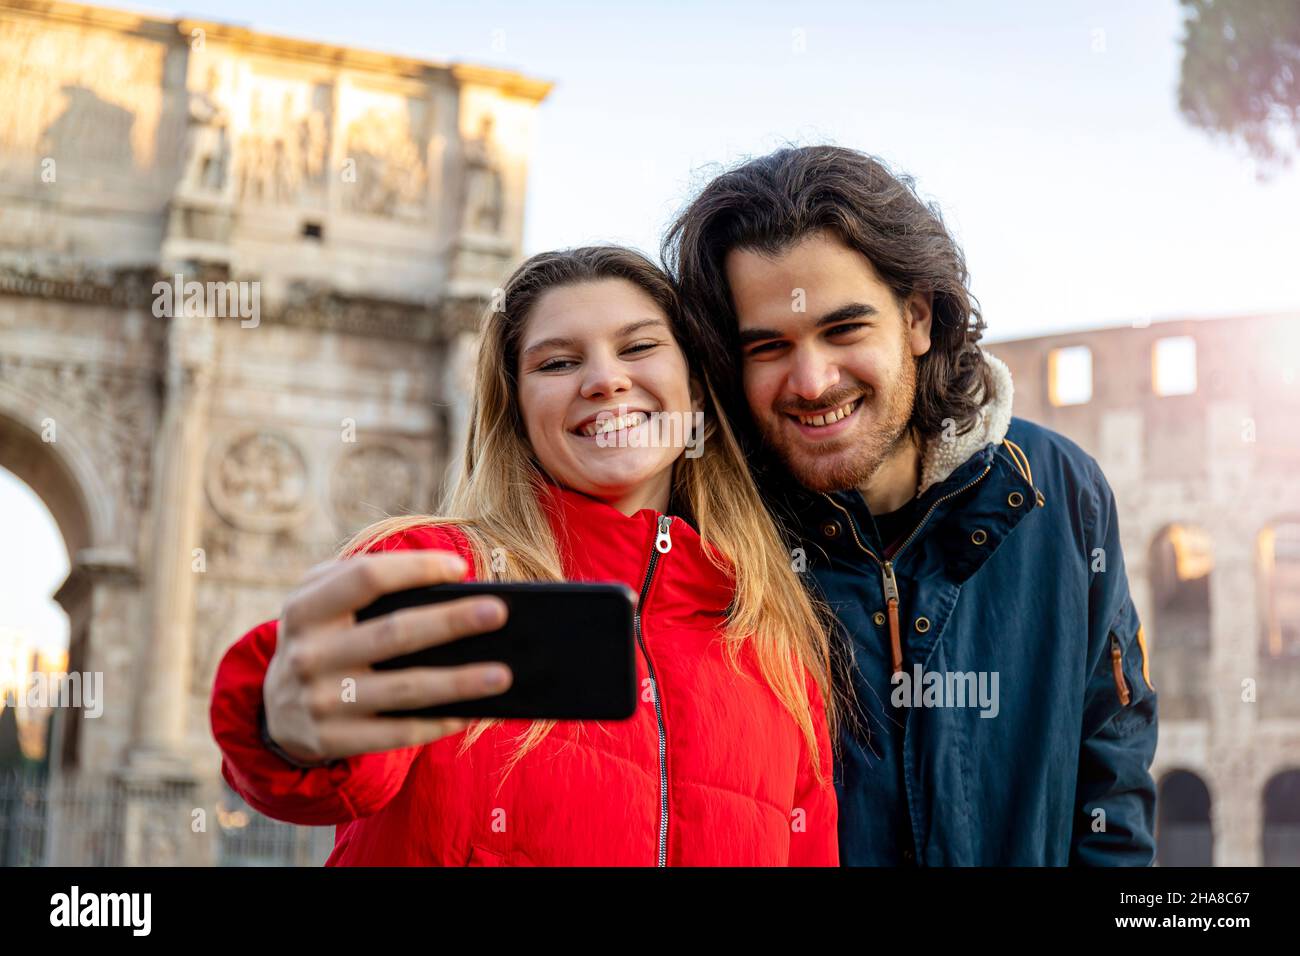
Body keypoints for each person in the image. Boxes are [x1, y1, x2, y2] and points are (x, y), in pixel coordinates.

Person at [209, 245, 839, 866]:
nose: (605, 380)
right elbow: (329, 756)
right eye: (558, 363)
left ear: (696, 391)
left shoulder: (773, 643)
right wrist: (284, 729)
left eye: (639, 347)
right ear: (516, 409)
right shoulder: (436, 568)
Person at [661, 145, 1159, 866]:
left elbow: (1111, 764)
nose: (811, 380)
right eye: (769, 346)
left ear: (919, 317)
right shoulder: (707, 533)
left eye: (844, 329)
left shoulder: (1060, 490)